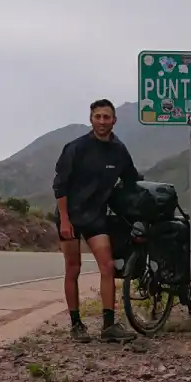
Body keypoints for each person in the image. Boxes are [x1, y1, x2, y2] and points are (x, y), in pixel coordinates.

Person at [52, 98, 139, 343]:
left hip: (96, 216)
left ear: (114, 120)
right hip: (69, 215)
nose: (102, 121)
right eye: (98, 116)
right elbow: (60, 186)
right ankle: (76, 324)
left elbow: (132, 178)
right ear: (91, 119)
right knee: (73, 268)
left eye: (106, 117)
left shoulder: (119, 150)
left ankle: (109, 325)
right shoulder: (76, 148)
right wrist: (65, 220)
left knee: (108, 266)